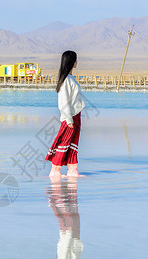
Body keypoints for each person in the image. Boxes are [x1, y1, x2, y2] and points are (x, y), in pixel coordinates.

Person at [45, 50, 86, 178]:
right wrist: (68, 120)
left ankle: (72, 170)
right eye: (75, 60)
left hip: (76, 115)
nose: (77, 62)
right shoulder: (66, 81)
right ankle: (55, 170)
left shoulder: (70, 79)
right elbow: (63, 102)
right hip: (70, 117)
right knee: (64, 142)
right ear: (71, 62)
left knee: (73, 143)